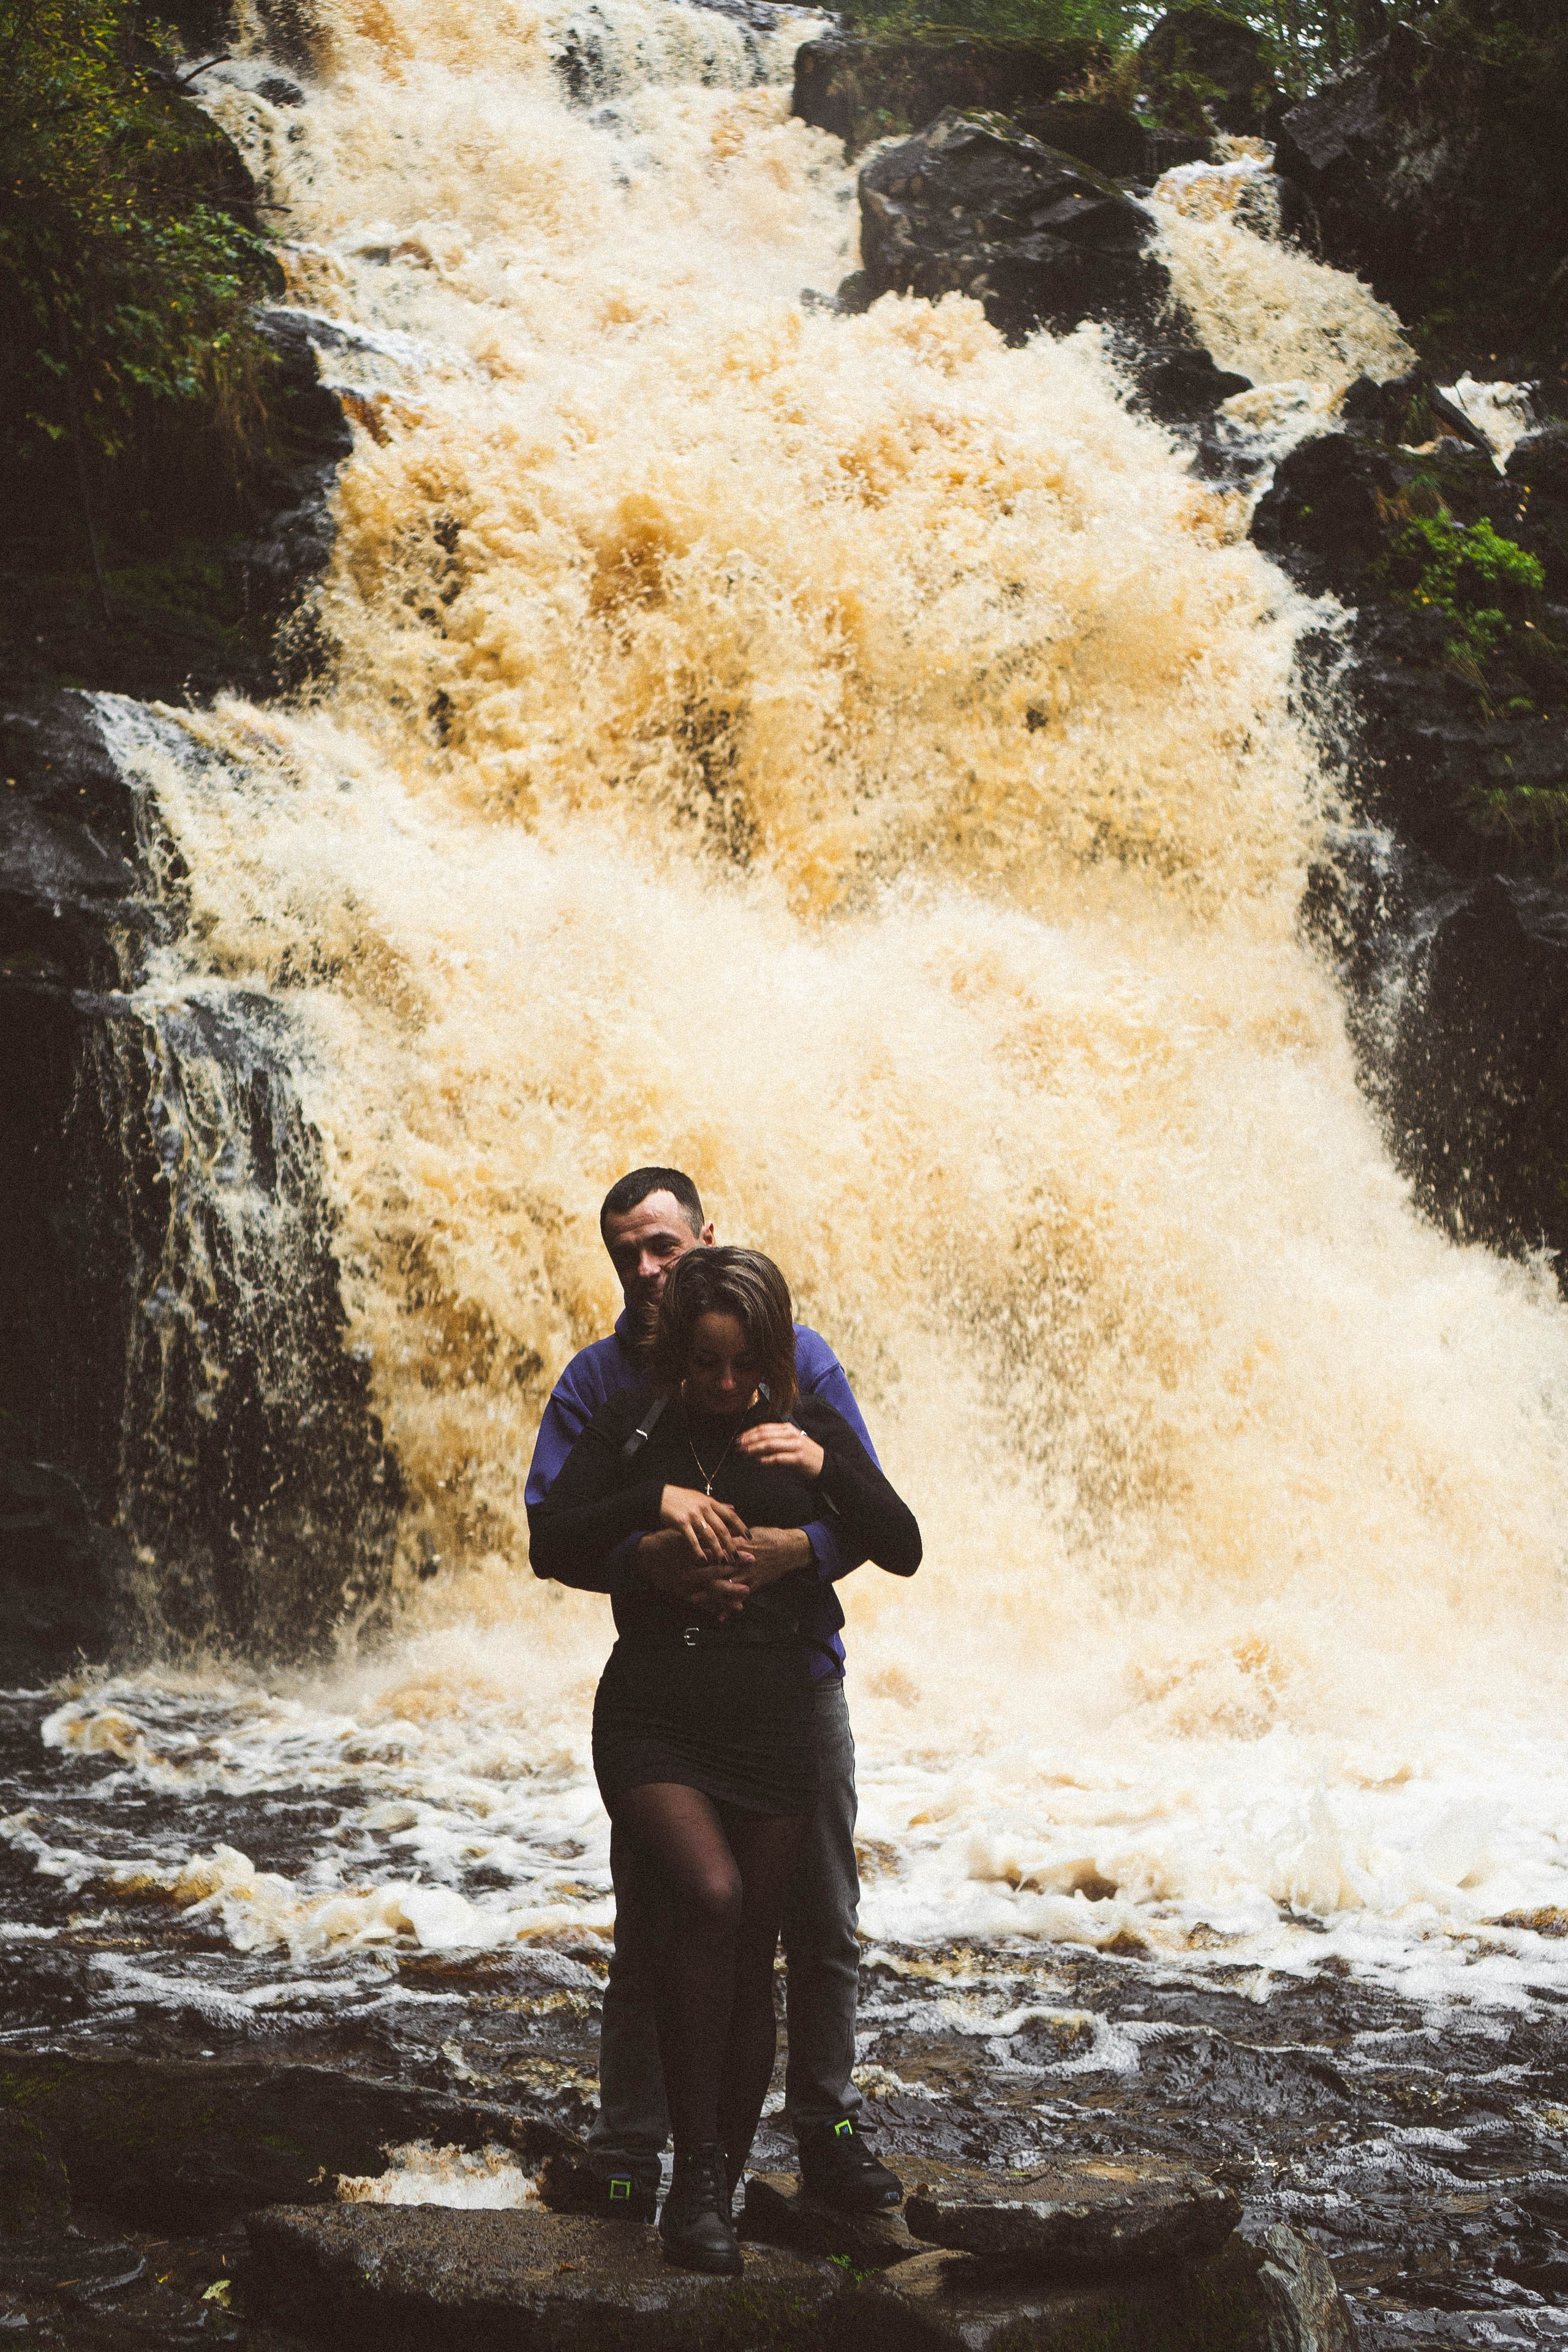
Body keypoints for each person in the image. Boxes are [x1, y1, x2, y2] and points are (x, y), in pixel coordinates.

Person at [524, 1167, 908, 2222]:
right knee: (663, 1920)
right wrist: (644, 1559)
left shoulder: (796, 1362)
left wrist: (799, 1552)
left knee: (819, 1924)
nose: (648, 1268)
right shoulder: (604, 1384)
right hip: (670, 1694)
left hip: (796, 1691)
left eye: (663, 1245)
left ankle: (825, 2131)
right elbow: (559, 1537)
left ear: (704, 1237)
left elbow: (870, 1517)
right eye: (627, 1253)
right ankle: (631, 2149)